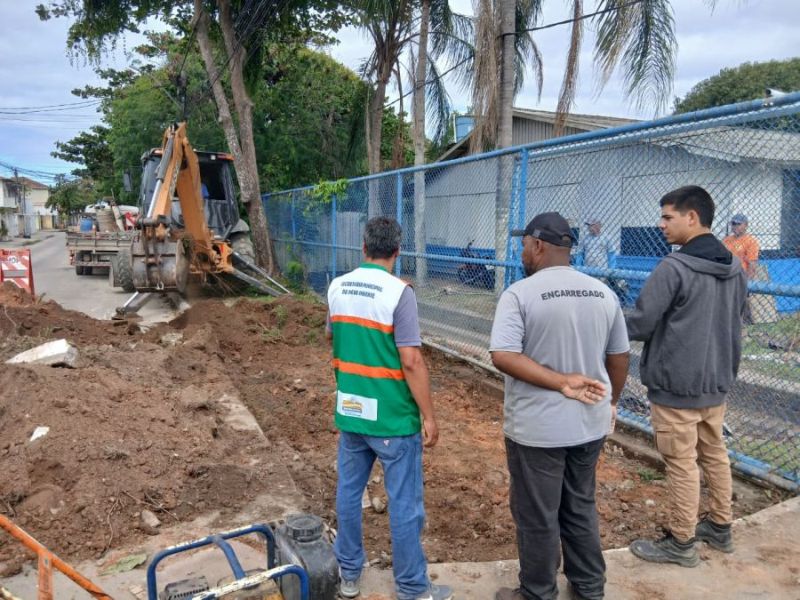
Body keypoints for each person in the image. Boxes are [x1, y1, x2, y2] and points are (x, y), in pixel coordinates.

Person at [490, 212, 630, 600]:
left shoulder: (520, 294)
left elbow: (502, 355)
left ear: (538, 245)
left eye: (523, 245)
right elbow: (619, 357)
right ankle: (588, 588)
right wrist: (612, 401)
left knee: (537, 513)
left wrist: (560, 381)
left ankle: (537, 592)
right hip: (590, 423)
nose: (521, 252)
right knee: (580, 505)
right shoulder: (603, 293)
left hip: (538, 431)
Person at [326, 216, 453, 600]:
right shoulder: (400, 294)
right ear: (396, 253)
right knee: (404, 504)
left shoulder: (336, 287)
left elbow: (334, 338)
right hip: (393, 419)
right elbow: (411, 360)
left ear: (363, 248)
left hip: (351, 410)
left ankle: (348, 574)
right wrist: (428, 416)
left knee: (349, 493)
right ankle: (413, 588)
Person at [626, 186, 747, 568]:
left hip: (677, 385)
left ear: (691, 217)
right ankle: (720, 527)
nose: (662, 224)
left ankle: (681, 542)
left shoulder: (673, 267)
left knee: (681, 463)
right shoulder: (734, 267)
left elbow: (642, 323)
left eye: (667, 217)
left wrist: (604, 316)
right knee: (714, 453)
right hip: (716, 382)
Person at [722, 213, 759, 324]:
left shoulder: (751, 241)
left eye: (738, 224)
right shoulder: (727, 240)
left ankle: (746, 321)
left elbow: (752, 263)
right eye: (733, 224)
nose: (735, 226)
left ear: (746, 225)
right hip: (727, 273)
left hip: (740, 275)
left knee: (742, 300)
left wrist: (749, 280)